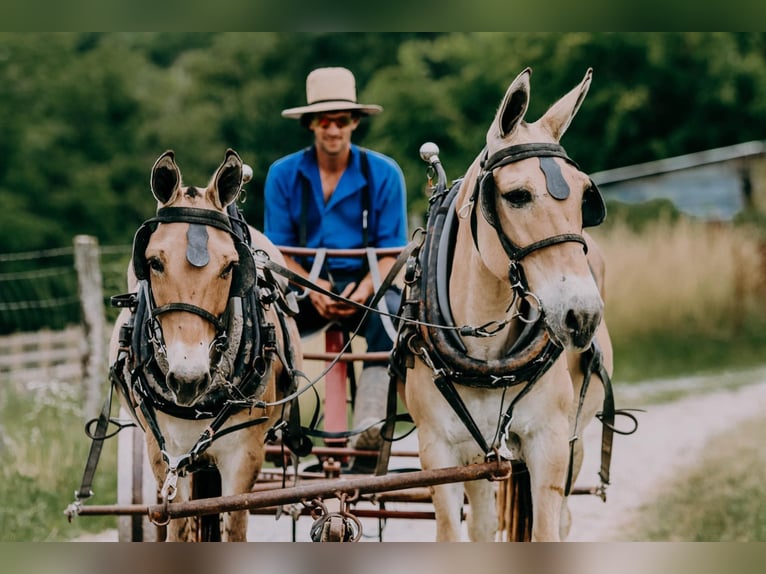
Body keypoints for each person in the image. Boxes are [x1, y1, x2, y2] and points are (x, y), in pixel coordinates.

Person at [263, 67, 408, 465]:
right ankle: (277, 427)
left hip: (369, 284)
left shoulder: (384, 173)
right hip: (301, 285)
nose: (332, 130)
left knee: (393, 319)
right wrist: (314, 289)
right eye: (324, 121)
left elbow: (389, 251)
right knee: (266, 324)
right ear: (310, 124)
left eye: (341, 121)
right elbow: (278, 250)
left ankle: (369, 429)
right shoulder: (283, 175)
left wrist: (360, 293)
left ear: (355, 122)